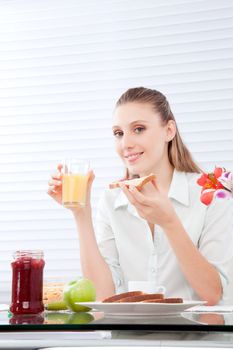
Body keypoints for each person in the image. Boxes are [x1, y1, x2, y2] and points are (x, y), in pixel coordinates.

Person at [48, 87, 233, 305]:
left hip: (194, 338)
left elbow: (213, 294)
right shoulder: (110, 200)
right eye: (119, 133)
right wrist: (81, 212)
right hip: (128, 338)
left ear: (169, 130)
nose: (125, 143)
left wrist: (170, 223)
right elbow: (102, 296)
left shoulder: (211, 193)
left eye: (138, 129)